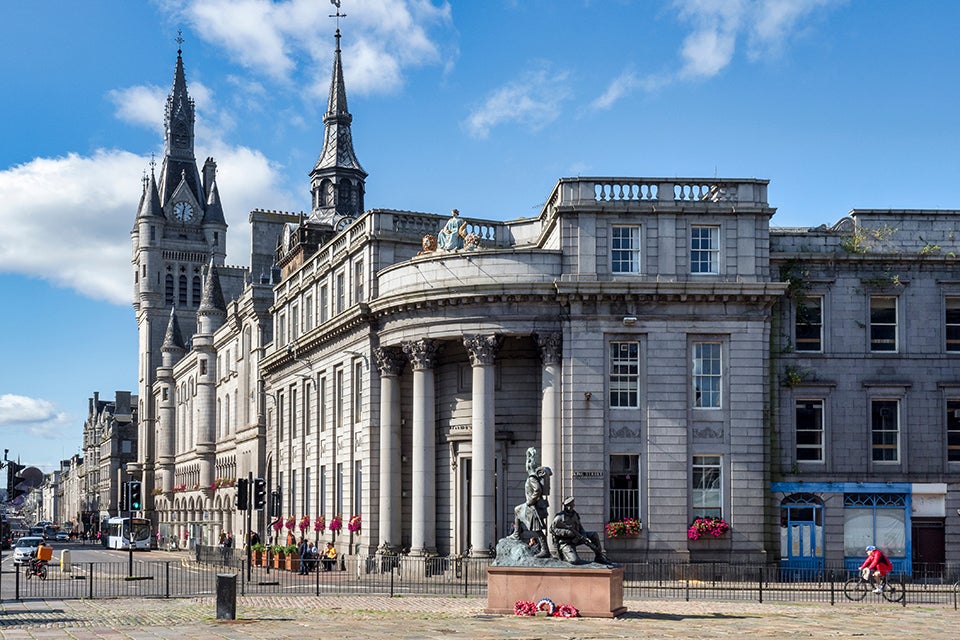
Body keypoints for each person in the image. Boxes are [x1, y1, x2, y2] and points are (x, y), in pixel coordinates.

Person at [549, 496, 609, 565]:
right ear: (565, 506)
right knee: (574, 561)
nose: (569, 507)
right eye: (568, 506)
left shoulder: (575, 515)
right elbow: (552, 529)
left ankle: (599, 557)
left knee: (593, 534)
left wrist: (584, 537)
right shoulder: (559, 517)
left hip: (577, 538)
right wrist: (566, 532)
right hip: (566, 542)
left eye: (571, 505)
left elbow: (581, 528)